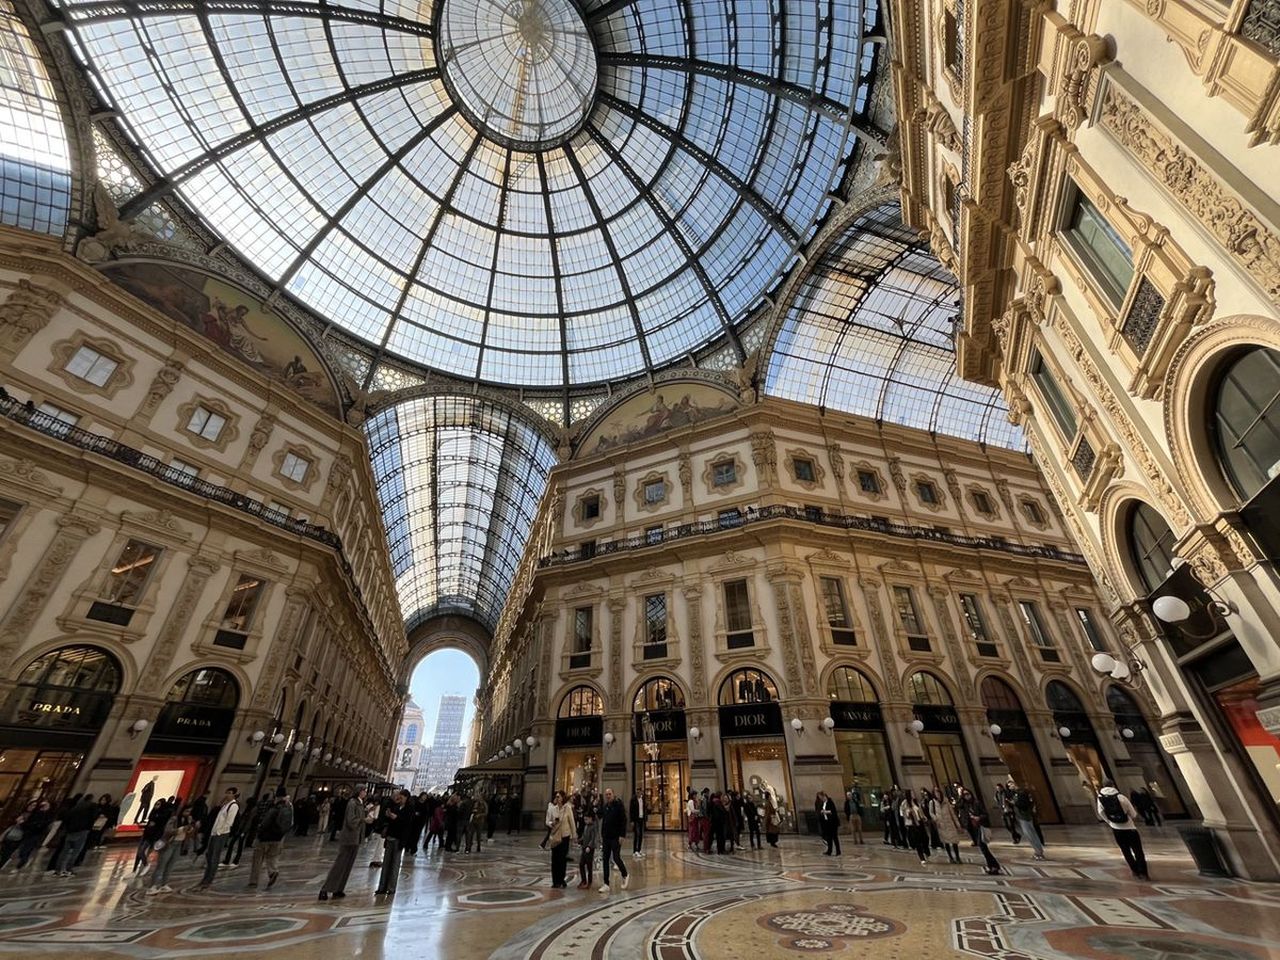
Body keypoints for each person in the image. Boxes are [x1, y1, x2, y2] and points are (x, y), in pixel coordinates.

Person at [320, 787, 370, 900]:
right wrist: (363, 820)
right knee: (340, 864)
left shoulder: (360, 803)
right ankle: (325, 888)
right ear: (359, 791)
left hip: (356, 838)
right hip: (349, 837)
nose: (365, 793)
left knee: (348, 865)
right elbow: (350, 820)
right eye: (363, 791)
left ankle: (338, 888)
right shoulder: (352, 803)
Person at [1097, 780, 1149, 880]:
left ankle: (1135, 871)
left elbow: (1100, 812)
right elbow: (1133, 814)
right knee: (1138, 850)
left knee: (1125, 850)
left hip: (1116, 828)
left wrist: (1110, 821)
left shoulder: (1100, 798)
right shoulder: (1121, 797)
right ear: (1113, 785)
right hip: (1129, 827)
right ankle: (1143, 872)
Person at [248, 788, 293, 889]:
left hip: (265, 837)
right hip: (278, 838)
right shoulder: (288, 809)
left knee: (257, 859)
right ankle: (272, 872)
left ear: (277, 797)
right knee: (272, 857)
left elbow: (265, 823)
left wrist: (259, 831)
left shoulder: (274, 809)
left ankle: (253, 881)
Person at [199, 787, 240, 889]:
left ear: (234, 795)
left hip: (221, 834)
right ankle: (205, 877)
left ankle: (209, 879)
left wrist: (219, 832)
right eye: (227, 792)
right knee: (209, 855)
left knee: (214, 857)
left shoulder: (234, 806)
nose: (227, 795)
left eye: (230, 793)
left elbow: (229, 822)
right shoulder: (225, 805)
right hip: (214, 833)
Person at [376, 790, 414, 896]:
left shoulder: (409, 809)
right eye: (399, 797)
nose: (400, 799)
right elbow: (388, 820)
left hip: (399, 839)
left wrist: (396, 817)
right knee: (386, 863)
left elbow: (407, 824)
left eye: (402, 797)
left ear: (406, 798)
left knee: (395, 864)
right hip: (390, 837)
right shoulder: (395, 806)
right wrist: (389, 815)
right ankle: (382, 887)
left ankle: (391, 888)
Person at [146, 805, 191, 895]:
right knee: (161, 864)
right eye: (187, 811)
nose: (188, 813)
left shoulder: (188, 820)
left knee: (170, 865)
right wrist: (180, 829)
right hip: (170, 843)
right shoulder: (174, 819)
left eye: (189, 812)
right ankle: (152, 886)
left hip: (179, 844)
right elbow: (167, 831)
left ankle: (164, 884)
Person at [54, 793, 98, 877]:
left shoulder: (76, 808)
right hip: (82, 831)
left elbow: (67, 818)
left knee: (65, 851)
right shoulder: (91, 808)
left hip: (71, 831)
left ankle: (58, 870)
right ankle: (68, 869)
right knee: (75, 851)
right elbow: (93, 818)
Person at [598, 787, 630, 892]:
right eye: (606, 794)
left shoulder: (618, 805)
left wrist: (622, 835)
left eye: (609, 794)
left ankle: (625, 874)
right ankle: (606, 883)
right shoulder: (605, 806)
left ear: (613, 794)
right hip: (606, 837)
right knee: (605, 859)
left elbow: (623, 820)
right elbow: (600, 816)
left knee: (616, 857)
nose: (608, 796)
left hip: (616, 837)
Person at [547, 791, 576, 889]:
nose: (557, 798)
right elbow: (547, 821)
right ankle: (555, 881)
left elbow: (572, 822)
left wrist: (574, 835)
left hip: (565, 837)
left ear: (563, 798)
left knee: (562, 859)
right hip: (555, 836)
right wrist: (552, 823)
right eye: (556, 796)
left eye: (559, 796)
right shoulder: (553, 808)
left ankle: (561, 879)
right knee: (554, 859)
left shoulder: (567, 808)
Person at [1011, 783, 1046, 860]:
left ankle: (1039, 852)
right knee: (1031, 834)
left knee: (1030, 835)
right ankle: (1038, 851)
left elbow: (1024, 805)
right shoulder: (1018, 793)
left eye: (1012, 784)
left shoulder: (1022, 794)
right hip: (1022, 817)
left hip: (1025, 817)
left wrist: (1014, 803)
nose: (1010, 786)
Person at [932, 788, 965, 864]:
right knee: (946, 842)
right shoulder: (933, 802)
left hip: (950, 824)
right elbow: (931, 812)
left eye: (938, 792)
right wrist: (936, 818)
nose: (937, 794)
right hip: (941, 825)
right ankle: (950, 857)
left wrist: (957, 824)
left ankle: (957, 857)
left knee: (954, 841)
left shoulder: (946, 801)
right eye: (935, 792)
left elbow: (952, 813)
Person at [900, 791, 931, 864]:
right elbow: (902, 813)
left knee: (925, 838)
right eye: (912, 794)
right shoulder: (905, 803)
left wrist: (924, 817)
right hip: (912, 824)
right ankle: (921, 857)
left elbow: (920, 810)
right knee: (918, 841)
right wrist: (907, 814)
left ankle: (926, 852)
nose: (913, 795)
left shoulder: (915, 802)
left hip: (920, 822)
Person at [577, 805, 599, 889]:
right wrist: (579, 840)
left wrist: (589, 846)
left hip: (589, 849)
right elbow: (584, 836)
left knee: (589, 866)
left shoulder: (593, 827)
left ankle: (589, 881)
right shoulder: (586, 826)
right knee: (581, 864)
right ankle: (583, 880)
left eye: (586, 819)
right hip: (584, 847)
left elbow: (593, 838)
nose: (585, 821)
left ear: (591, 818)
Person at [816, 791, 841, 856]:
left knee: (834, 837)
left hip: (832, 822)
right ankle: (829, 850)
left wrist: (826, 812)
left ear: (824, 796)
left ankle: (838, 851)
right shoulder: (822, 804)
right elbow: (819, 811)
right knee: (829, 837)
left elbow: (833, 811)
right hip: (826, 823)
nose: (821, 799)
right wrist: (821, 812)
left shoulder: (830, 802)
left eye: (821, 797)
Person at [629, 792, 645, 858]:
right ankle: (635, 850)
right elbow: (631, 810)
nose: (639, 793)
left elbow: (643, 808)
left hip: (641, 818)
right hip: (636, 819)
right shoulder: (633, 800)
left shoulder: (642, 799)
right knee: (636, 834)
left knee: (641, 834)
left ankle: (639, 849)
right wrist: (632, 820)